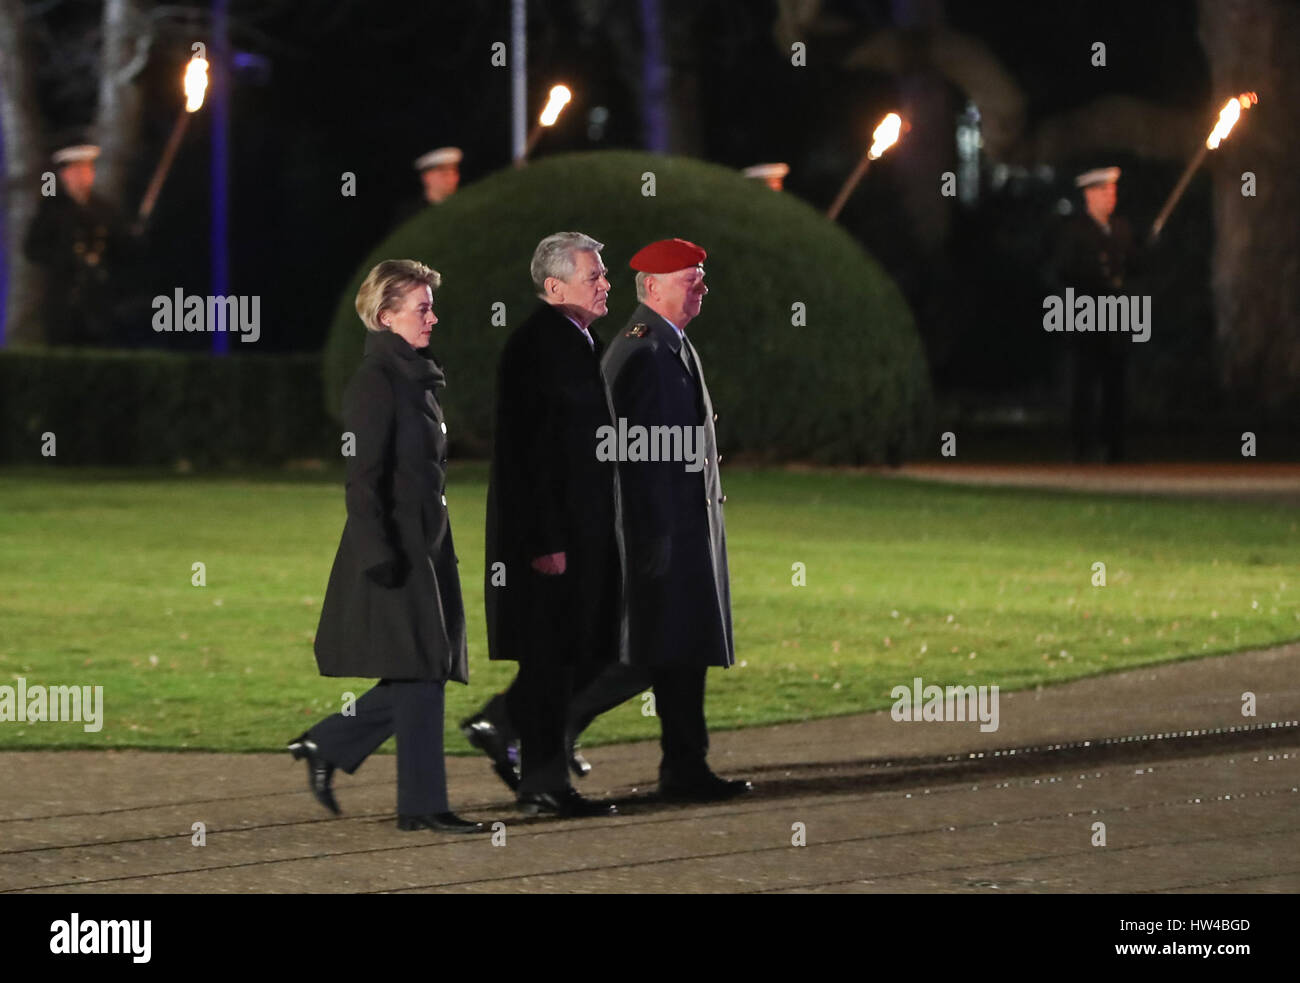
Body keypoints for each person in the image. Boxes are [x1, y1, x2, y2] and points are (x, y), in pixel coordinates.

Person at [287, 259, 483, 834]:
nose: (433, 317)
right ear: (384, 315)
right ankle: (421, 806)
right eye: (422, 308)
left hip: (425, 543)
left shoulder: (411, 374)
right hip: (397, 548)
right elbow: (363, 478)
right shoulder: (377, 381)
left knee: (421, 667)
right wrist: (380, 555)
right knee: (423, 668)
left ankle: (329, 744)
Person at [600, 238, 752, 802]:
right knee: (650, 652)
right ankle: (523, 727)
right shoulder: (644, 349)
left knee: (681, 651)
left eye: (702, 277)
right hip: (663, 532)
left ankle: (685, 766)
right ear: (654, 287)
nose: (703, 286)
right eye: (692, 278)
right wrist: (654, 535)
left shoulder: (669, 343)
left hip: (684, 529)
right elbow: (635, 457)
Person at [480, 232, 623, 818]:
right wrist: (544, 542)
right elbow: (526, 453)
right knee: (550, 658)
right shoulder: (535, 347)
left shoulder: (584, 341)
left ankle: (509, 731)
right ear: (553, 286)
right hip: (553, 538)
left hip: (587, 530)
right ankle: (543, 781)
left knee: (583, 650)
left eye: (602, 273)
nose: (606, 283)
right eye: (594, 276)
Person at [1052, 166, 1139, 463]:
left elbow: (1133, 267)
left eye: (1112, 191)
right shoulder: (1074, 231)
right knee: (1083, 384)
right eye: (1104, 191)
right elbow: (1064, 270)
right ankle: (1081, 445)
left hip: (1116, 317)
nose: (1110, 197)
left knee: (1116, 384)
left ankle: (1115, 445)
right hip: (1086, 316)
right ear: (1089, 195)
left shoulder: (1122, 228)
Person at [23, 143, 138, 346]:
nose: (83, 175)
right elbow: (33, 249)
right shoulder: (52, 209)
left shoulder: (103, 208)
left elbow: (120, 250)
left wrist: (133, 236)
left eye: (86, 169)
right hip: (64, 297)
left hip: (98, 296)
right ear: (65, 174)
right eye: (76, 170)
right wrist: (64, 258)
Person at [393, 147, 462, 223]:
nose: (451, 179)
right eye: (444, 174)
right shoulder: (411, 214)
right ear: (426, 177)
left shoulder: (463, 208)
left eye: (454, 173)